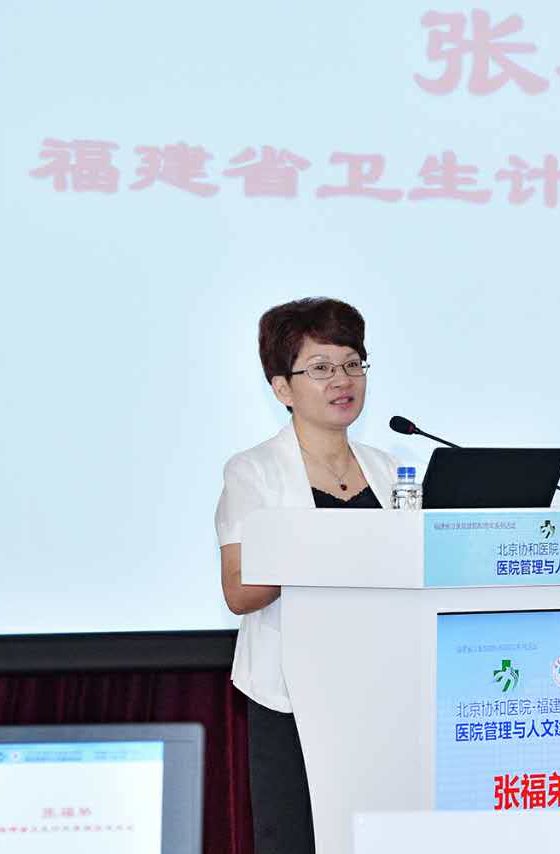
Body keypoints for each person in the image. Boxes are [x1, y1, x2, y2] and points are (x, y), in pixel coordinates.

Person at [214, 297, 400, 854]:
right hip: (292, 700)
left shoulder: (391, 471)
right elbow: (240, 590)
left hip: (384, 692)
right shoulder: (254, 472)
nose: (342, 380)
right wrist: (336, 553)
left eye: (352, 363)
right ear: (282, 388)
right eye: (320, 368)